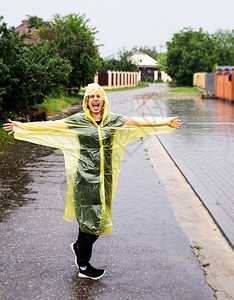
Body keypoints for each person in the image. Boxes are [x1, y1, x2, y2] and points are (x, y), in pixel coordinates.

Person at [3, 83, 182, 280]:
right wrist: (21, 127)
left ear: (103, 100)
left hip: (105, 177)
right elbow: (51, 126)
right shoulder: (78, 121)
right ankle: (83, 266)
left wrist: (166, 122)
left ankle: (80, 247)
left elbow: (138, 123)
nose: (95, 99)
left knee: (101, 218)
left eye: (98, 96)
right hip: (84, 178)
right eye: (91, 97)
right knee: (87, 221)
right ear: (87, 102)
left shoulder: (113, 120)